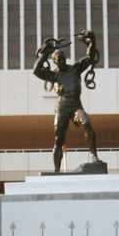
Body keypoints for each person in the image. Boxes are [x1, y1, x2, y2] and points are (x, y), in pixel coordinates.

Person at [33, 30, 102, 173]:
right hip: (62, 107)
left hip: (76, 106)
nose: (61, 61)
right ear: (54, 61)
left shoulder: (75, 69)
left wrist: (92, 42)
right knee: (59, 138)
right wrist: (45, 53)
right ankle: (57, 170)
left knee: (86, 123)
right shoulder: (53, 75)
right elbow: (36, 71)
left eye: (63, 58)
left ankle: (94, 156)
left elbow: (89, 58)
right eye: (58, 59)